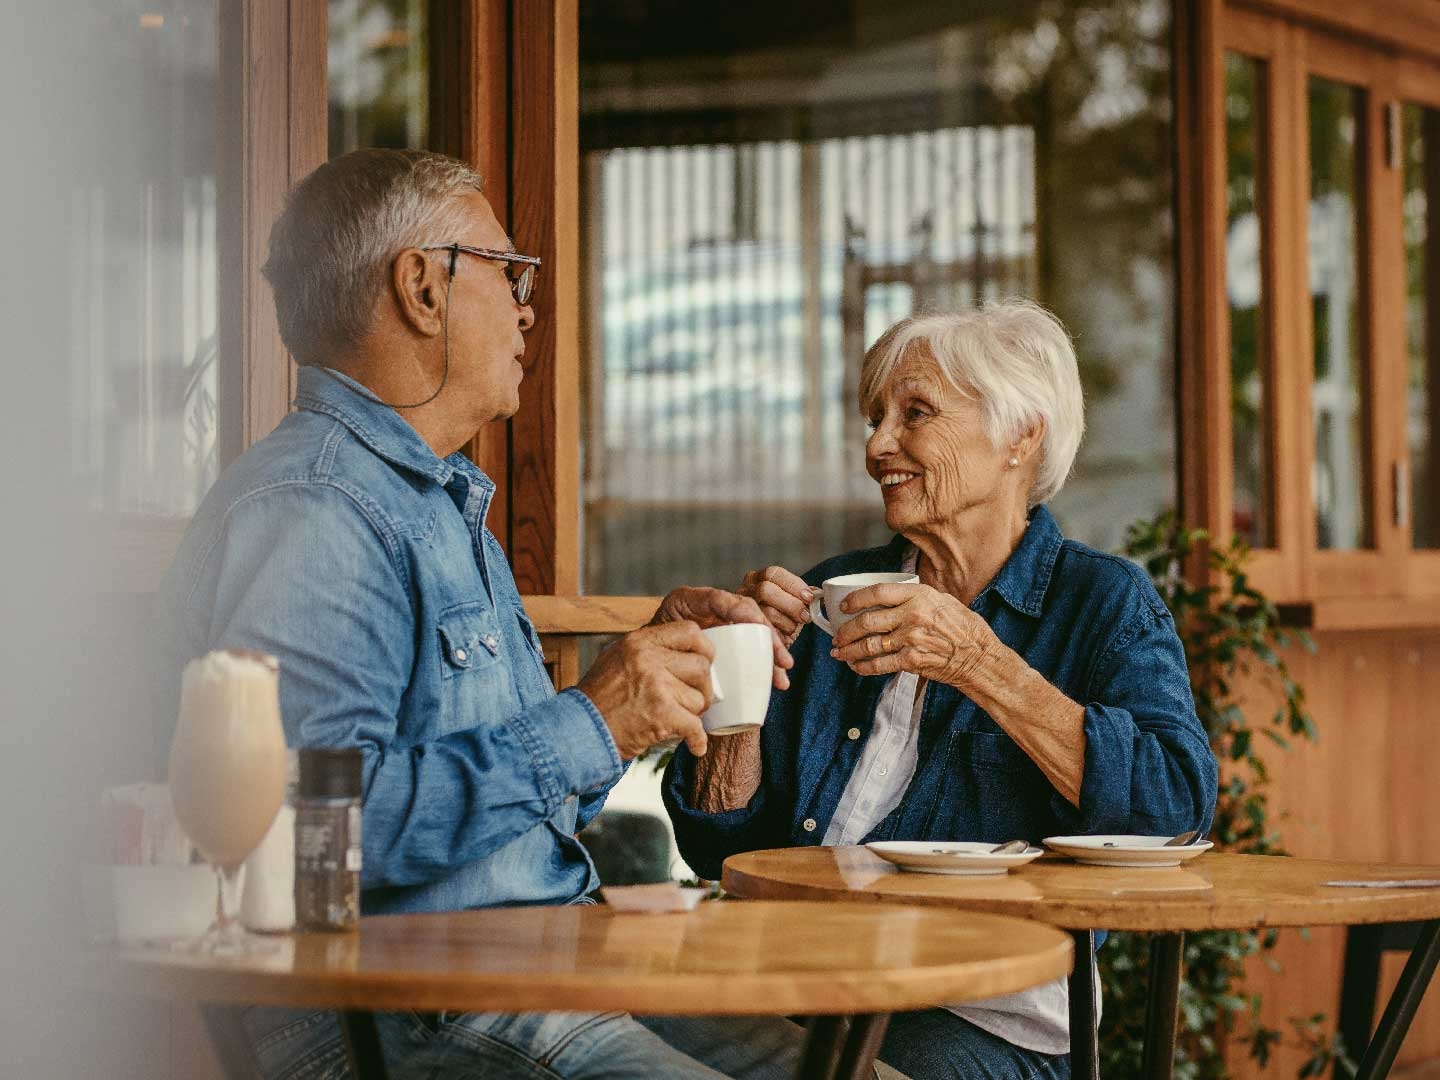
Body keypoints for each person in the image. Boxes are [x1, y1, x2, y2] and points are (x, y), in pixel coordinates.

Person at [154, 148, 828, 1080]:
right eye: (510, 273)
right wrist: (591, 717)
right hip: (401, 1010)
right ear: (422, 288)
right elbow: (317, 836)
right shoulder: (317, 512)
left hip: (541, 968)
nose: (528, 306)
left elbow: (521, 807)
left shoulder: (434, 503)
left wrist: (631, 708)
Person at [663, 301, 1219, 1080]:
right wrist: (740, 686)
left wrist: (980, 664)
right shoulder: (834, 594)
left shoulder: (1101, 603)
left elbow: (1175, 811)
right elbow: (721, 850)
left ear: (1020, 436)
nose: (877, 444)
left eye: (913, 413)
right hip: (799, 982)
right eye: (874, 417)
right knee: (602, 1033)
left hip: (983, 1022)